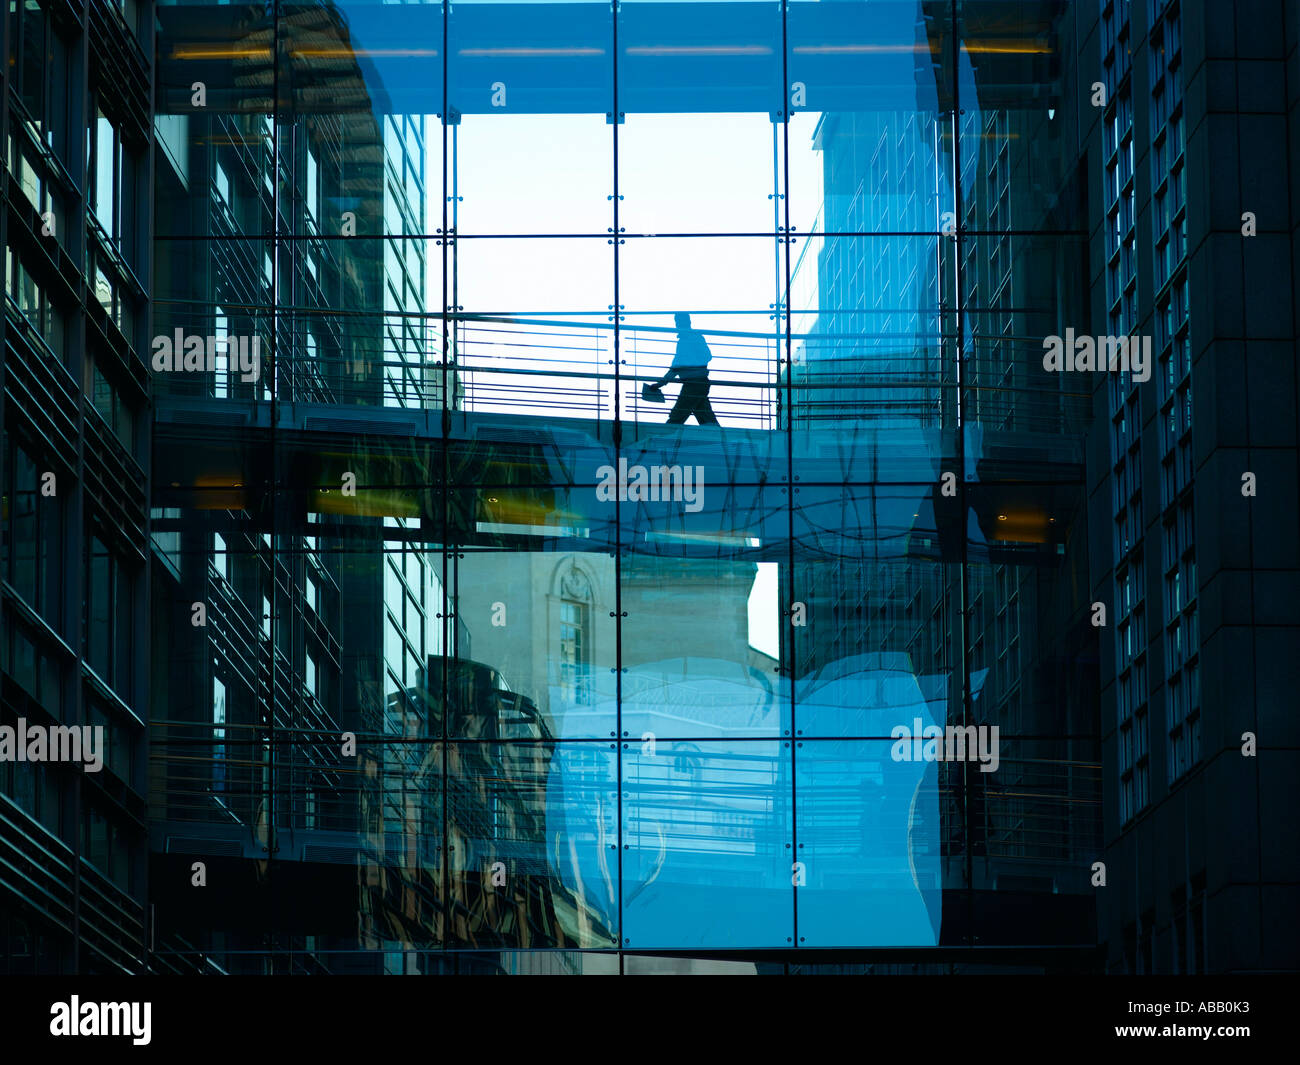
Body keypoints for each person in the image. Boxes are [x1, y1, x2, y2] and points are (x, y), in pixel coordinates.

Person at [648, 312, 719, 425]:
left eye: (679, 322)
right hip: (700, 383)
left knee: (677, 416)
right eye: (677, 322)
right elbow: (706, 357)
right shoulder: (695, 338)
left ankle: (665, 437)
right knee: (706, 418)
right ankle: (721, 438)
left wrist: (660, 384)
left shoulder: (687, 341)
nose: (678, 326)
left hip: (693, 384)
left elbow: (676, 367)